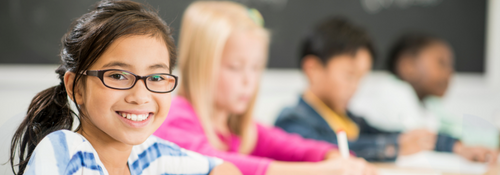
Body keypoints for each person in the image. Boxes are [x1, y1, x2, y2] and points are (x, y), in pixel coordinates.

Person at [9, 1, 241, 175]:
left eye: (157, 77)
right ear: (76, 87)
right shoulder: (65, 151)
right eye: (118, 75)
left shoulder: (150, 155)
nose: (140, 96)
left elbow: (223, 168)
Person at [153, 1, 378, 175]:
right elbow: (216, 164)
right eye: (235, 67)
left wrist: (331, 155)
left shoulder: (239, 128)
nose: (248, 80)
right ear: (201, 66)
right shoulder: (175, 118)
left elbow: (293, 146)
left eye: (256, 68)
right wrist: (318, 171)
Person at [274, 17, 446, 162]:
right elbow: (323, 148)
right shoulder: (291, 120)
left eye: (361, 78)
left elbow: (388, 135)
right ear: (313, 70)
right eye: (349, 75)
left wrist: (452, 145)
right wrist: (393, 146)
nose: (355, 87)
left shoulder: (350, 120)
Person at [348, 32, 498, 163]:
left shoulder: (428, 104)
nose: (450, 72)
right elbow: (417, 140)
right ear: (409, 66)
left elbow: (448, 130)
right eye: (441, 63)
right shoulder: (394, 91)